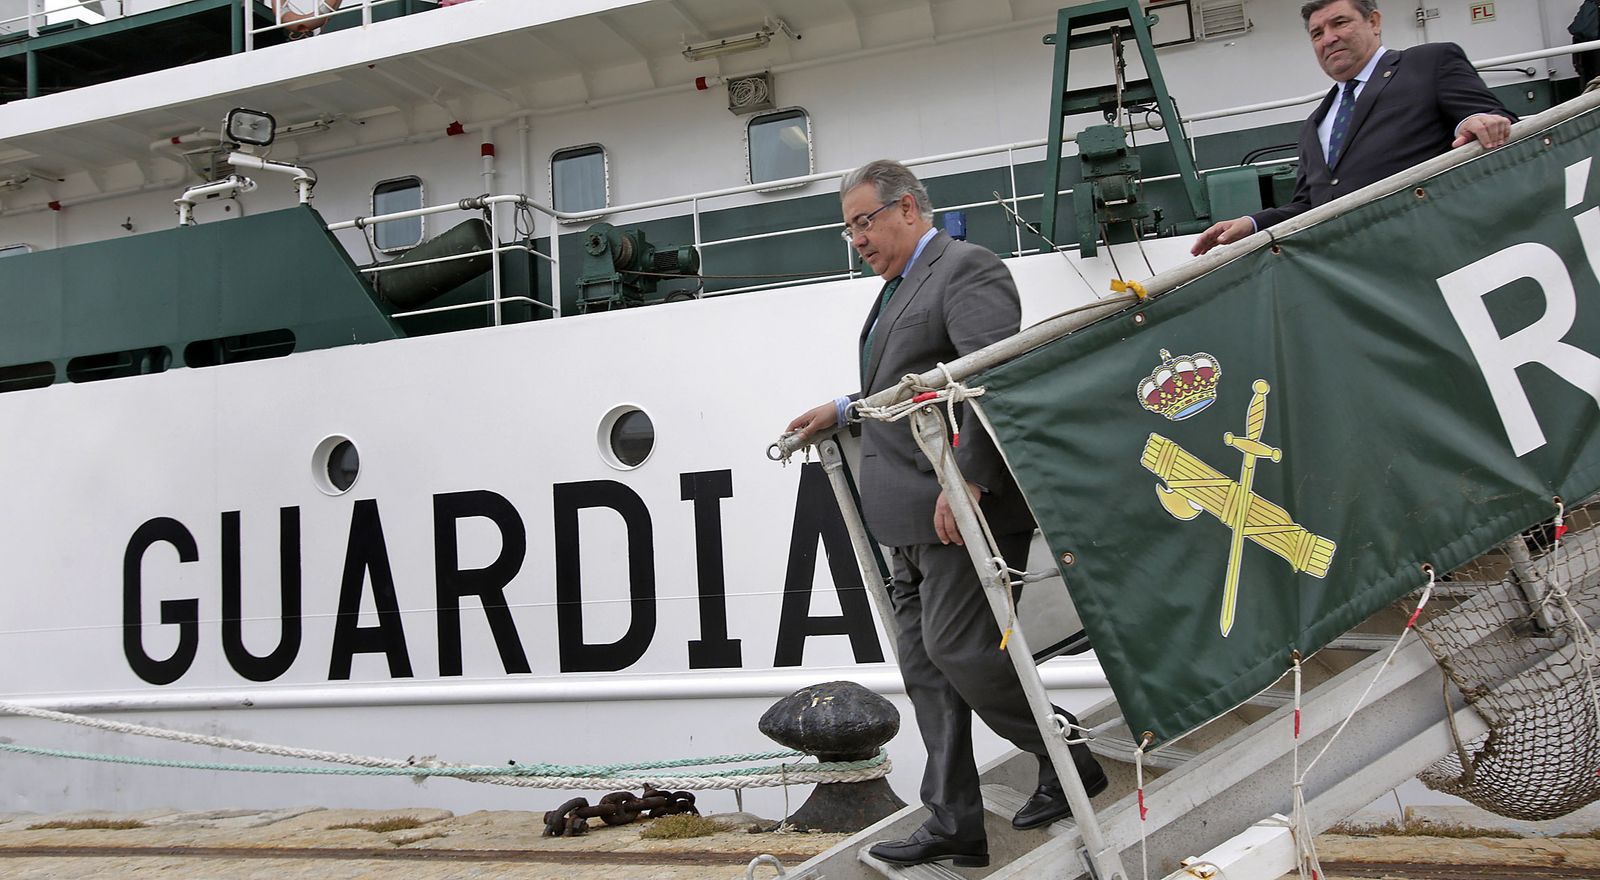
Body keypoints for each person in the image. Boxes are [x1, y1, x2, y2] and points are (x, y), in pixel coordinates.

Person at [784, 160, 1106, 869]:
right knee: (927, 673)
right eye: (848, 228)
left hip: (956, 510)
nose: (856, 240)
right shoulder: (900, 286)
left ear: (907, 208)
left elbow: (990, 376)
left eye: (864, 222)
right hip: (903, 518)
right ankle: (955, 823)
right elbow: (915, 378)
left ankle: (1067, 752)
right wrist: (845, 409)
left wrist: (968, 482)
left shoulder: (966, 268)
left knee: (962, 653)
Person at [1191, 0, 1515, 256]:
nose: (1328, 38)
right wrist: (1252, 224)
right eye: (1316, 34)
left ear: (1374, 22)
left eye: (1340, 23)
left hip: (1435, 250)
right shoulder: (1313, 126)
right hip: (1358, 277)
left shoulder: (1429, 61)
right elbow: (1308, 207)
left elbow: (1494, 119)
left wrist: (1473, 120)